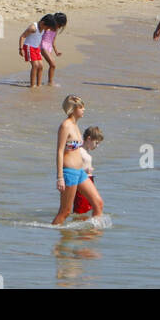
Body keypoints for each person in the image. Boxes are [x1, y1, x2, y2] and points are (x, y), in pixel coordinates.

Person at [52, 95, 103, 225]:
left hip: (80, 172)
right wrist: (60, 177)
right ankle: (55, 238)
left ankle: (89, 239)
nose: (84, 109)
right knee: (65, 211)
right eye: (81, 107)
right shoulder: (65, 126)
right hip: (69, 172)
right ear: (73, 109)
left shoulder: (75, 125)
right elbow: (59, 151)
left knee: (98, 203)